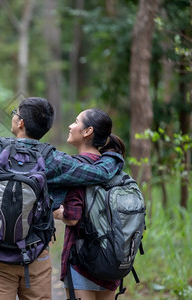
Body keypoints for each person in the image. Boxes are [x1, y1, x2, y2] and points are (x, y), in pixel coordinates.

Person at [0, 75, 124, 300]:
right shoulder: (54, 161)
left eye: (15, 113)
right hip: (36, 260)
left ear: (20, 123)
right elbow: (99, 172)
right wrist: (113, 155)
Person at [53, 108, 125, 300]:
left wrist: (58, 212)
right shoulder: (111, 165)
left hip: (81, 260)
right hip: (110, 258)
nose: (71, 125)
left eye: (76, 121)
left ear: (88, 131)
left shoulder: (77, 167)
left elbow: (73, 217)